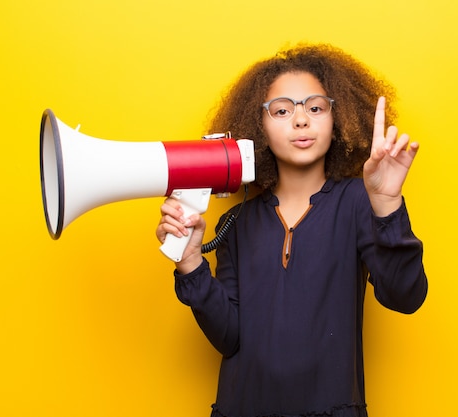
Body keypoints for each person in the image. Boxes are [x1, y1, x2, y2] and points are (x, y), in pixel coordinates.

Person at [156, 43, 428, 417]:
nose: (301, 120)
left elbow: (405, 296)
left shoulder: (358, 202)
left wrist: (385, 202)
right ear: (259, 127)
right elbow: (229, 337)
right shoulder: (235, 224)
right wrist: (190, 264)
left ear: (338, 119)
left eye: (315, 107)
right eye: (282, 110)